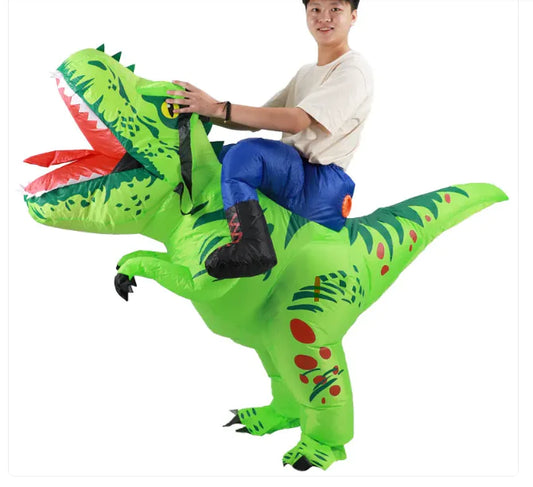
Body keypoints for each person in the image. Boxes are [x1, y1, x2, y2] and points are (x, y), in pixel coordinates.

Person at [166, 0, 373, 279]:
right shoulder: (306, 73)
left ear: (353, 16)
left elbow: (297, 120)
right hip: (293, 172)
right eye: (315, 9)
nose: (324, 17)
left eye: (335, 9)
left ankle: (253, 246)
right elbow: (256, 120)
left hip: (320, 183)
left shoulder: (353, 69)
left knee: (246, 156)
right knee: (219, 158)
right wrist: (202, 109)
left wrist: (218, 108)